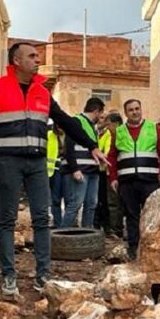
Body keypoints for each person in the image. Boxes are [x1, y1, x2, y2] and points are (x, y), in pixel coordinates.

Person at [0, 42, 107, 297]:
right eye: (32, 56)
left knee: (42, 219)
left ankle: (43, 275)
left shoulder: (42, 92)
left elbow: (66, 122)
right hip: (7, 161)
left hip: (36, 163)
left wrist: (92, 146)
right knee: (6, 220)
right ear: (17, 61)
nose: (38, 60)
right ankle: (8, 276)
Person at [108, 99, 160, 260]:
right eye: (131, 110)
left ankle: (153, 248)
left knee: (152, 215)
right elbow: (112, 156)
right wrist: (113, 177)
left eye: (137, 109)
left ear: (141, 109)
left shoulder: (152, 128)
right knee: (131, 215)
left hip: (149, 180)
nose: (135, 112)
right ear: (126, 113)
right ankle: (134, 248)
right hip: (127, 181)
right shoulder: (119, 131)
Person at [60, 97, 105, 228]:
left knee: (91, 204)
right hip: (80, 170)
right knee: (75, 204)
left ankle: (86, 236)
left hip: (92, 171)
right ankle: (62, 235)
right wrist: (74, 169)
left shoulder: (92, 127)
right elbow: (68, 146)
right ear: (97, 111)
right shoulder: (76, 122)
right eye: (101, 114)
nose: (101, 117)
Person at [93, 113, 114, 233]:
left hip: (102, 171)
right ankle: (95, 225)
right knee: (94, 200)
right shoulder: (93, 132)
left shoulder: (108, 134)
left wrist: (97, 155)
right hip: (93, 170)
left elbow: (107, 152)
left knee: (104, 200)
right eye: (100, 118)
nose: (100, 121)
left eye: (103, 119)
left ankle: (106, 226)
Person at [48, 121, 64, 227]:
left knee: (69, 197)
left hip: (67, 169)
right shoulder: (49, 135)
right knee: (56, 198)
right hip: (53, 170)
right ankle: (58, 223)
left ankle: (68, 222)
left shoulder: (70, 136)